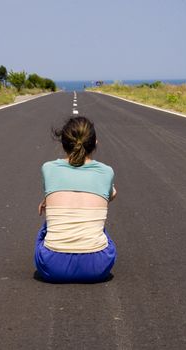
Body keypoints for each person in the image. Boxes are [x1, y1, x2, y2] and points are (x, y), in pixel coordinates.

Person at [34, 116, 117, 283]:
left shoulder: (48, 168)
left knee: (48, 224)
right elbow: (110, 195)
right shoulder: (107, 171)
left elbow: (52, 193)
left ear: (63, 143)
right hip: (98, 267)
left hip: (52, 266)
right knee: (98, 226)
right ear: (95, 143)